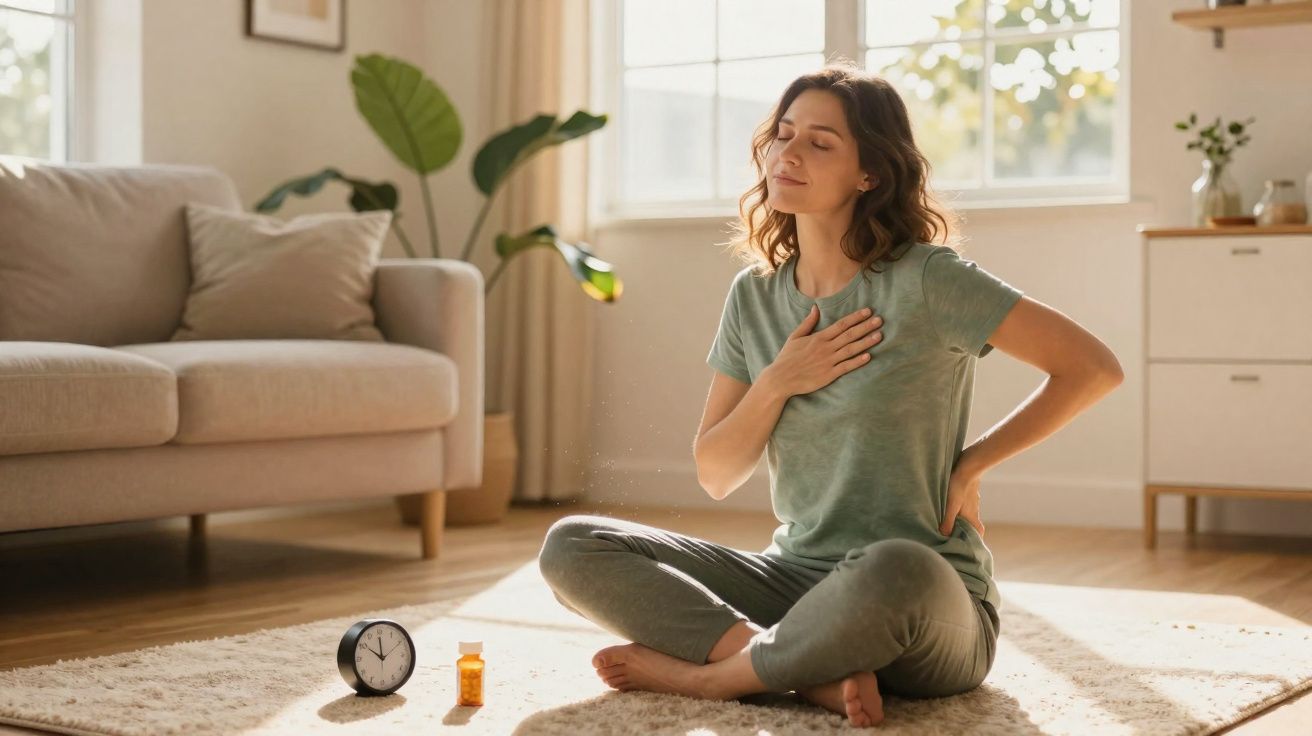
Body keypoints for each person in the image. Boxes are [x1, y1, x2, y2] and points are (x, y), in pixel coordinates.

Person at [537, 60, 1123, 728]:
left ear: (869, 172)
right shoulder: (755, 297)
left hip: (923, 598)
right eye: (784, 134)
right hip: (793, 582)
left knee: (893, 567)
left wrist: (972, 463)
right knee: (572, 544)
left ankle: (717, 680)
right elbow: (716, 472)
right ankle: (798, 672)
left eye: (820, 142)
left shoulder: (926, 279)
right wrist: (779, 381)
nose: (788, 153)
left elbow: (1092, 367)